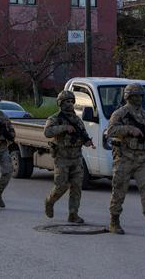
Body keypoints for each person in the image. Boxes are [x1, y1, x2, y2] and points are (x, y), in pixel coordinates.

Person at [106, 84, 145, 237]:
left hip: (141, 159)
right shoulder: (120, 113)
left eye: (141, 96)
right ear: (128, 97)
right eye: (136, 96)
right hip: (124, 158)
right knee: (119, 190)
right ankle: (114, 221)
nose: (139, 99)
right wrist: (130, 130)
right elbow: (110, 131)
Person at [44, 90, 95, 223]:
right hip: (62, 158)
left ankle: (73, 214)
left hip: (76, 157)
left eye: (72, 101)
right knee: (61, 186)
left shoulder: (77, 120)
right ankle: (49, 201)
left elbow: (83, 134)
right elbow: (47, 132)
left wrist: (88, 141)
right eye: (67, 101)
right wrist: (64, 128)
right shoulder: (55, 118)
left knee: (77, 187)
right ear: (60, 103)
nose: (70, 104)